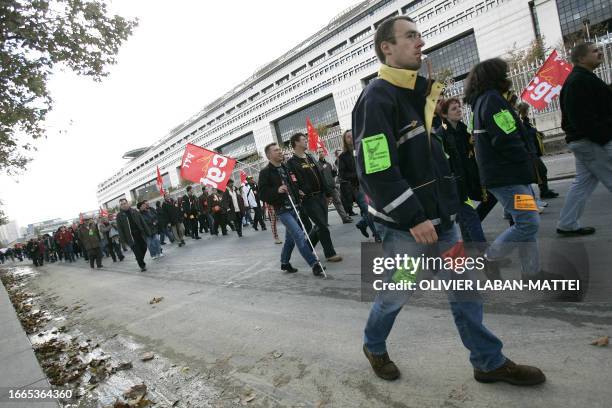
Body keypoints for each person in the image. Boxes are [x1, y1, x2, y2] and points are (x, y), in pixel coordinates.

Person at [355, 16, 544, 385]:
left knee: (466, 288)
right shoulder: (376, 98)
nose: (419, 42)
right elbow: (376, 169)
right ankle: (373, 345)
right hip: (405, 228)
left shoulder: (420, 94)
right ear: (387, 48)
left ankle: (488, 362)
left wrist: (451, 206)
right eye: (410, 37)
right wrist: (412, 217)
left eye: (420, 36)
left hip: (444, 220)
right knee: (397, 292)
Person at [465, 58, 544, 281]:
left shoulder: (485, 100)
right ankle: (490, 258)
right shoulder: (492, 100)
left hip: (509, 174)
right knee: (528, 223)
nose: (508, 76)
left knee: (525, 223)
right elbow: (506, 138)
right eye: (504, 72)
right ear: (494, 76)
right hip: (508, 176)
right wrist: (527, 161)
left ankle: (532, 272)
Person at [556, 42, 612, 236]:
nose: (599, 53)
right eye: (594, 51)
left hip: (586, 141)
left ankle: (567, 223)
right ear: (581, 58)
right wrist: (604, 138)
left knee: (582, 184)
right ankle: (567, 223)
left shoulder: (583, 78)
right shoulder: (578, 81)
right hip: (592, 141)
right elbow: (582, 118)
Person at [259, 142, 325, 276]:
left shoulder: (285, 167)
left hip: (296, 207)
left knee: (290, 239)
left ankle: (284, 262)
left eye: (280, 149)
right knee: (300, 235)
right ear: (269, 155)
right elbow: (262, 194)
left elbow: (293, 183)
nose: (280, 152)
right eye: (276, 150)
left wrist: (297, 192)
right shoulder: (265, 172)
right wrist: (277, 190)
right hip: (283, 210)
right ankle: (314, 264)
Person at [286, 133, 342, 262]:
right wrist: (298, 191)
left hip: (321, 196)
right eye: (303, 140)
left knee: (319, 225)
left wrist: (327, 194)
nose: (306, 141)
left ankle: (306, 248)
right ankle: (330, 254)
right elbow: (291, 181)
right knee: (322, 226)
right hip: (308, 199)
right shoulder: (291, 162)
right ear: (296, 143)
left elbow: (320, 176)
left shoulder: (310, 157)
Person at [338, 130, 381, 243]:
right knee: (368, 210)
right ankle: (377, 235)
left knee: (376, 208)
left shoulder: (363, 149)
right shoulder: (343, 156)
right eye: (348, 137)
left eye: (352, 135)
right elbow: (342, 175)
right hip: (357, 187)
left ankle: (362, 223)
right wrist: (358, 174)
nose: (351, 138)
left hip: (371, 183)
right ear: (345, 140)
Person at [517, 103, 558, 199]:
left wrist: (537, 133)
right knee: (541, 170)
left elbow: (530, 132)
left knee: (540, 171)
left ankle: (544, 190)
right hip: (529, 151)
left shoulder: (526, 121)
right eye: (527, 110)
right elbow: (526, 134)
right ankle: (543, 192)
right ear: (523, 111)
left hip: (533, 150)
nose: (528, 111)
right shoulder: (520, 122)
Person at [317, 147, 352, 224]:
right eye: (319, 152)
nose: (321, 153)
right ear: (317, 154)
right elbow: (320, 177)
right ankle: (324, 222)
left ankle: (345, 218)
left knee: (338, 202)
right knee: (325, 207)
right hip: (325, 189)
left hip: (332, 187)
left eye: (322, 151)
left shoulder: (328, 164)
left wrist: (334, 170)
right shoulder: (317, 165)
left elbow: (333, 175)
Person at [116, 198, 151, 272]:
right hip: (130, 237)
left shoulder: (134, 211)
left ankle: (139, 258)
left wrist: (148, 231)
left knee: (144, 248)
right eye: (122, 204)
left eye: (125, 203)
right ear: (120, 206)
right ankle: (142, 265)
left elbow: (142, 222)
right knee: (137, 251)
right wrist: (123, 241)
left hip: (140, 234)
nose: (124, 205)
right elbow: (120, 229)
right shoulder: (119, 216)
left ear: (127, 203)